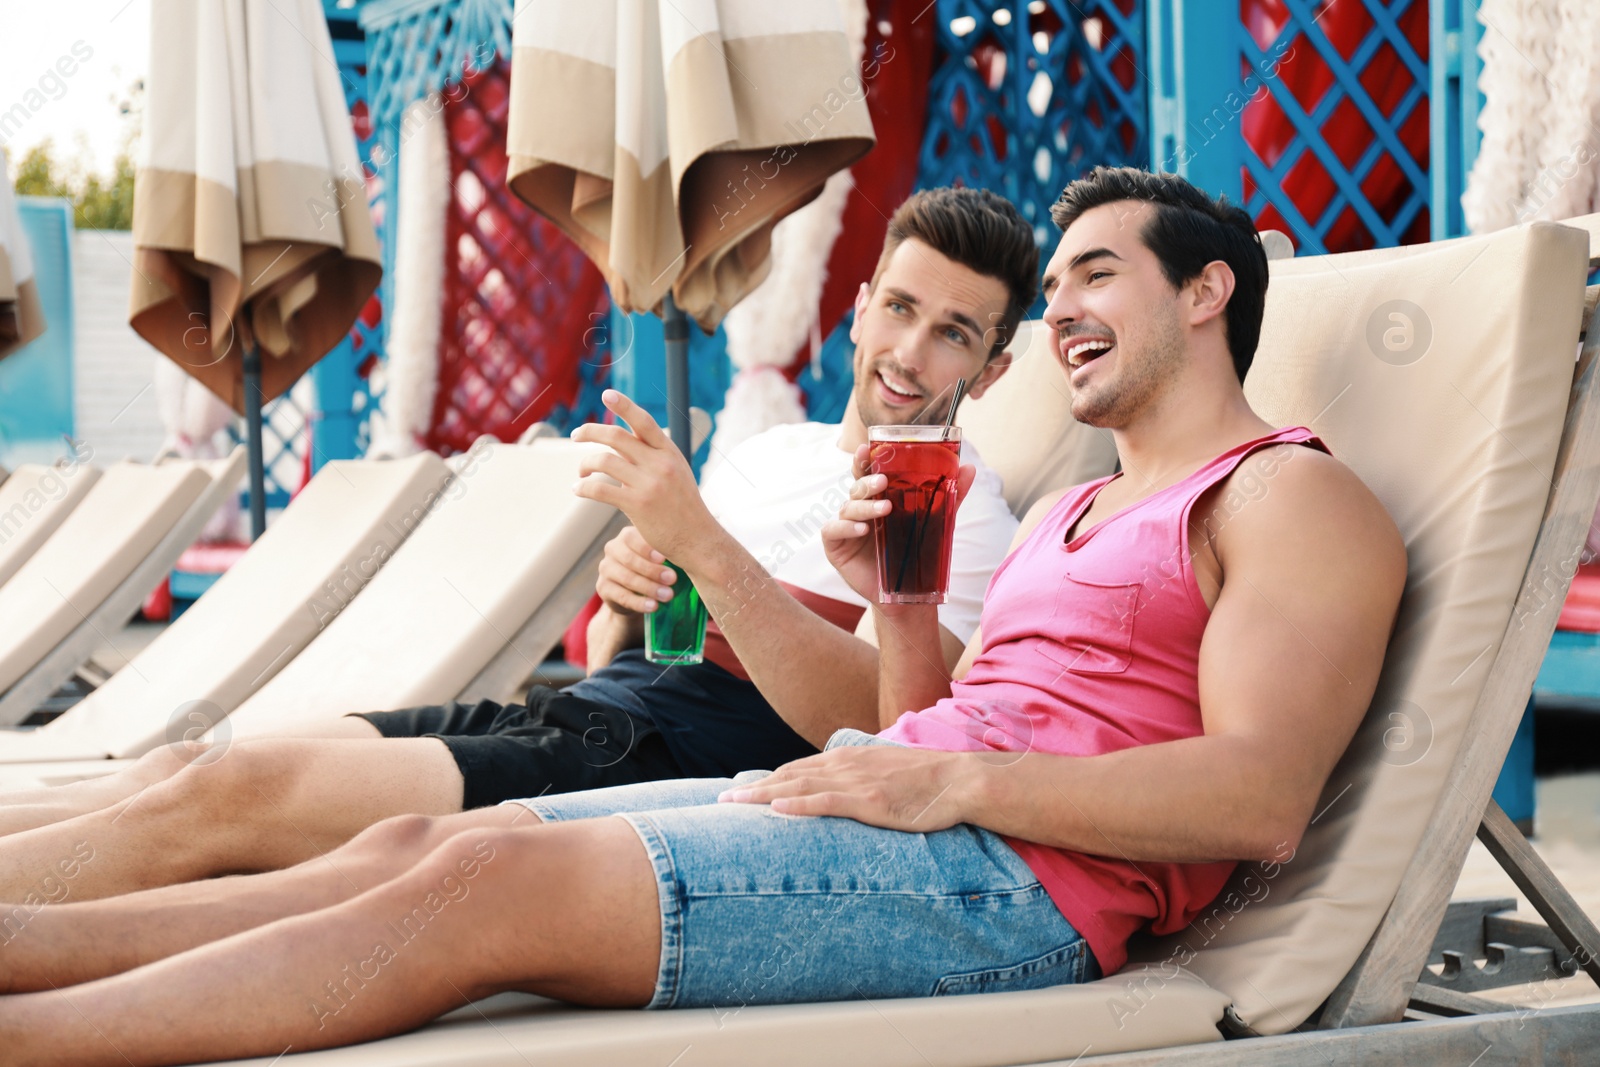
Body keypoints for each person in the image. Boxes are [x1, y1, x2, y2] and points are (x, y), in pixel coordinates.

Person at [0, 168, 1406, 1066]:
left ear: (1209, 289)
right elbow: (911, 719)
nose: (1062, 310)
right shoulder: (1065, 513)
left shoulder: (1285, 495)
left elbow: (1263, 795)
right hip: (895, 810)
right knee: (425, 840)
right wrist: (900, 607)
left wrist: (957, 774)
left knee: (480, 891)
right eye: (1053, 293)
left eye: (1095, 273)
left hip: (1026, 880)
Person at [0, 187, 1032, 901]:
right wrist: (637, 592)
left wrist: (706, 553)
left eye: (954, 332)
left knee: (233, 798)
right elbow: (643, 653)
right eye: (898, 308)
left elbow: (899, 738)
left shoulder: (965, 513)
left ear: (990, 369)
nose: (908, 352)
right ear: (855, 311)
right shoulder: (771, 453)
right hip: (588, 710)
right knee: (189, 762)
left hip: (668, 766)